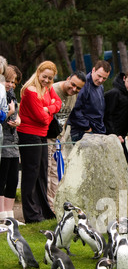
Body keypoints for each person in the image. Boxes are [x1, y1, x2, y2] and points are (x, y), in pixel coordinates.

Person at [17, 60, 62, 224]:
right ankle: (31, 214)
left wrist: (48, 108)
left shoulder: (48, 88)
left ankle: (43, 210)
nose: (47, 81)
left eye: (50, 78)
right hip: (29, 135)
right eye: (44, 77)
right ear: (38, 73)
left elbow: (59, 103)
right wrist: (49, 110)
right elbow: (42, 119)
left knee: (43, 171)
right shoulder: (30, 91)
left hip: (42, 135)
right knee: (31, 173)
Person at [47, 70, 86, 211]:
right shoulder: (54, 90)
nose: (74, 89)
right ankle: (46, 206)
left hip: (59, 137)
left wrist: (62, 136)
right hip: (47, 137)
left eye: (78, 88)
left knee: (57, 172)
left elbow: (65, 117)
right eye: (73, 84)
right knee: (47, 170)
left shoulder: (73, 96)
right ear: (68, 78)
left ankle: (54, 205)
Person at [104, 67, 128, 170]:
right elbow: (107, 116)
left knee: (126, 165)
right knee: (123, 165)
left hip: (121, 136)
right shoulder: (114, 93)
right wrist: (114, 135)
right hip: (111, 136)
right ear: (124, 78)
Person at [67, 60, 111, 142]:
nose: (101, 80)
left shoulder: (100, 86)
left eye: (104, 78)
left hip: (98, 131)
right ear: (93, 70)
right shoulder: (83, 85)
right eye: (99, 76)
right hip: (83, 132)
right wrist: (87, 128)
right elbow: (74, 109)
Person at [0, 66, 21, 220]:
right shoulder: (2, 95)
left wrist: (18, 119)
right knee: (2, 177)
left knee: (13, 178)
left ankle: (9, 215)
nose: (11, 85)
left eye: (13, 82)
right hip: (3, 141)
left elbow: (17, 113)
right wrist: (9, 113)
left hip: (13, 141)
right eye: (8, 81)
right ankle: (1, 214)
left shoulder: (12, 95)